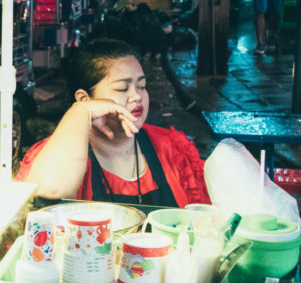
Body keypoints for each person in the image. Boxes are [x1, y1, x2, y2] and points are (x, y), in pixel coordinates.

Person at [16, 38, 209, 208]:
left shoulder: (172, 147)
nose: (137, 96)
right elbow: (49, 189)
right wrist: (80, 111)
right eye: (122, 88)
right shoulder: (57, 153)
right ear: (84, 98)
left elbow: (202, 220)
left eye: (141, 86)